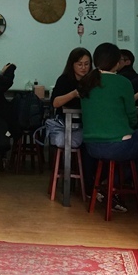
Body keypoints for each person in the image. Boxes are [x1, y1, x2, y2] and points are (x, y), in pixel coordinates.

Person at [78, 43, 138, 210]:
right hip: (118, 147)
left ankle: (109, 186)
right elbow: (132, 116)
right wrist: (129, 127)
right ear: (116, 62)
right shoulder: (122, 82)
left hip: (91, 146)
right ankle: (123, 185)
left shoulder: (86, 82)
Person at [47, 47, 94, 191]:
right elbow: (55, 103)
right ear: (72, 64)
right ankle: (80, 184)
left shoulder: (93, 81)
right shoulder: (64, 80)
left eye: (87, 64)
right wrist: (73, 94)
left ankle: (90, 185)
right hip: (65, 125)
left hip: (87, 125)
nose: (83, 67)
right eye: (79, 64)